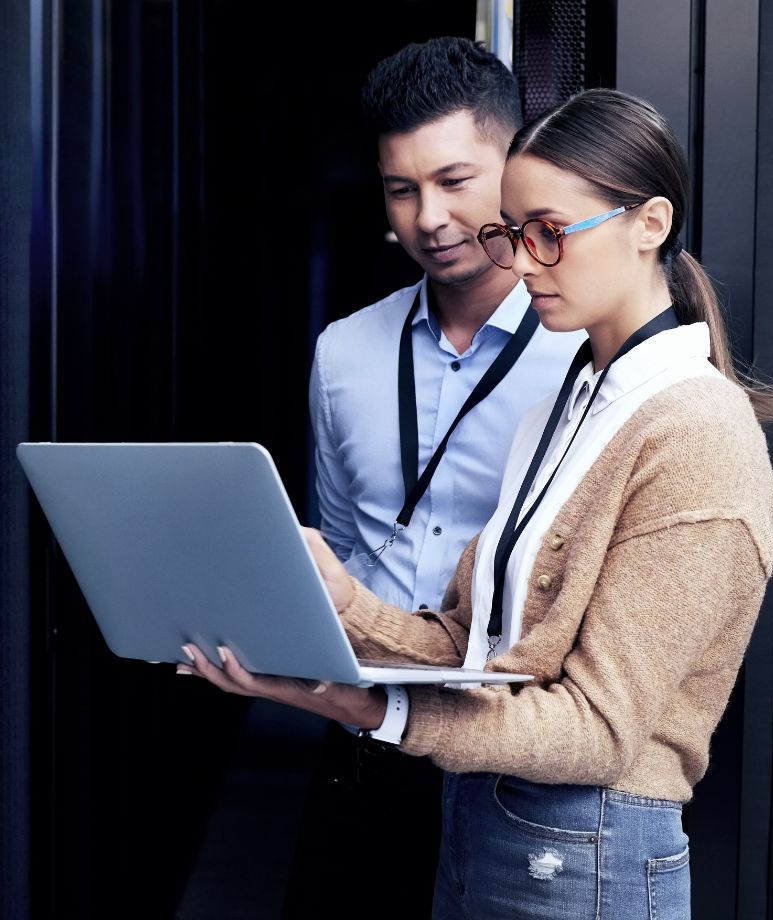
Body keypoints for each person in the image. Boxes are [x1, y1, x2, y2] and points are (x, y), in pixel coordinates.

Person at [178, 87, 773, 919]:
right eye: (513, 234)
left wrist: (372, 706)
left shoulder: (697, 430)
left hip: (591, 850)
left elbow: (598, 730)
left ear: (648, 223)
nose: (522, 261)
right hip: (489, 822)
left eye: (549, 233)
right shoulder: (576, 398)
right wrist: (343, 603)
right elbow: (476, 646)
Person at [282, 36, 585, 919]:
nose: (430, 218)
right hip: (362, 735)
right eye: (402, 188)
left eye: (455, 181)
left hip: (513, 745)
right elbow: (340, 545)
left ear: (518, 167)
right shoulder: (342, 353)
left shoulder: (582, 352)